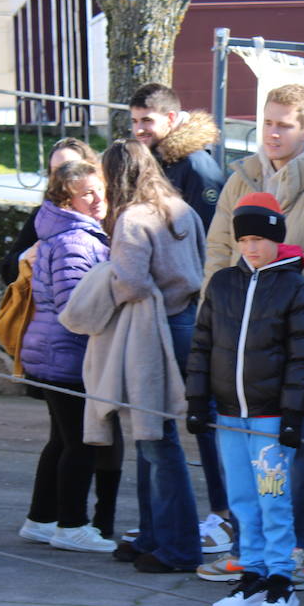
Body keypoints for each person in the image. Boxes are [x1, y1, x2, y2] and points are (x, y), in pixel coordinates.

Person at [200, 83, 304, 586]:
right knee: (242, 460)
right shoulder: (240, 179)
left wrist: (285, 263)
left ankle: (301, 554)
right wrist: (221, 309)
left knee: (300, 459)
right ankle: (254, 553)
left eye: (283, 124)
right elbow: (217, 252)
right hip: (239, 352)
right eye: (266, 122)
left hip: (301, 349)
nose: (271, 133)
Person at [187, 193, 304, 606]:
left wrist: (293, 415)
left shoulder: (293, 287)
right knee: (242, 499)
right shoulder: (224, 284)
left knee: (273, 499)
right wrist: (197, 400)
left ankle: (282, 582)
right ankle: (254, 574)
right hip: (229, 415)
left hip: (270, 419)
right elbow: (203, 344)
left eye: (260, 238)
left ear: (276, 239)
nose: (251, 247)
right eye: (243, 238)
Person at [102, 139, 207, 574]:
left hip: (155, 327)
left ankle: (178, 546)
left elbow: (129, 284)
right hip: (189, 325)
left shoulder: (132, 219)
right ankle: (152, 534)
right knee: (154, 437)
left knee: (157, 440)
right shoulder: (182, 209)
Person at [17, 160, 119, 554]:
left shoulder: (64, 233)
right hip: (67, 355)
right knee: (79, 443)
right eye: (87, 194)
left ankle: (41, 518)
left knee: (61, 440)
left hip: (53, 353)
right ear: (67, 199)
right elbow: (74, 308)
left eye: (100, 190)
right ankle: (71, 524)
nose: (98, 200)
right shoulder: (76, 240)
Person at [0, 137, 99, 286]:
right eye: (56, 171)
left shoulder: (106, 211)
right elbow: (7, 270)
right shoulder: (45, 216)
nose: (62, 178)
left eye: (71, 169)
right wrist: (25, 258)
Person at [129, 83, 225, 230]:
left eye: (147, 120)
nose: (139, 130)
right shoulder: (152, 159)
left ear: (170, 118)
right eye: (135, 121)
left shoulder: (196, 165)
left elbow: (210, 232)